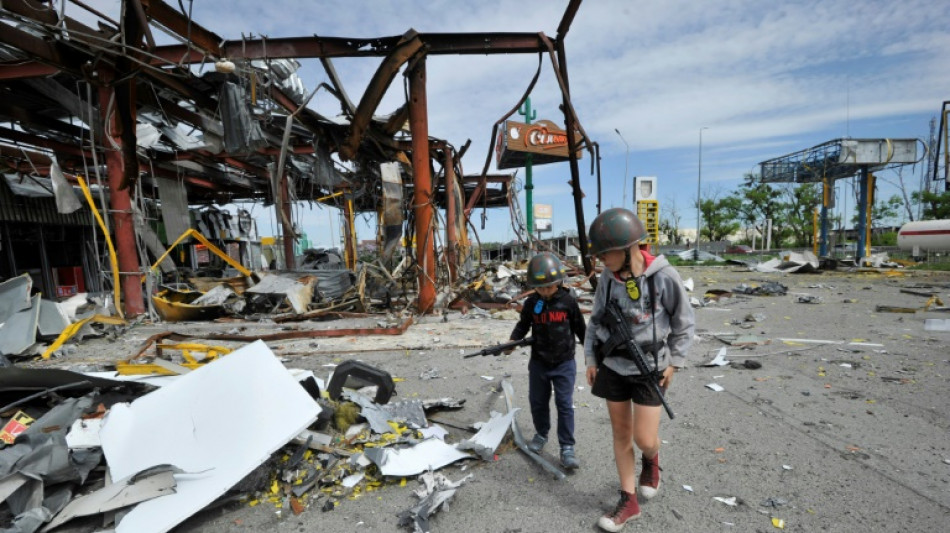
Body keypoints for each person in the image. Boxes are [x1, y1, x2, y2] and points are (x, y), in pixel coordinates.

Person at [584, 208, 695, 532]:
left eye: (606, 253)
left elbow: (684, 324)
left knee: (644, 438)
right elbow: (597, 320)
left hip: (651, 367)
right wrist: (591, 359)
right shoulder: (608, 277)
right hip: (614, 365)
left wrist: (675, 361)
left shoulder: (663, 275)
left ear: (630, 247)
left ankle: (651, 459)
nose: (602, 260)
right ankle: (628, 501)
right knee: (620, 435)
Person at [508, 252, 587, 470]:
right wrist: (512, 341)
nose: (544, 292)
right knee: (538, 402)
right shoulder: (532, 302)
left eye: (549, 287)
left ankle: (567, 447)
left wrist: (592, 359)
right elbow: (523, 325)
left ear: (559, 282)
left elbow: (582, 330)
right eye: (540, 288)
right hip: (539, 363)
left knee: (564, 405)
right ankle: (541, 434)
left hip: (564, 364)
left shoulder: (568, 302)